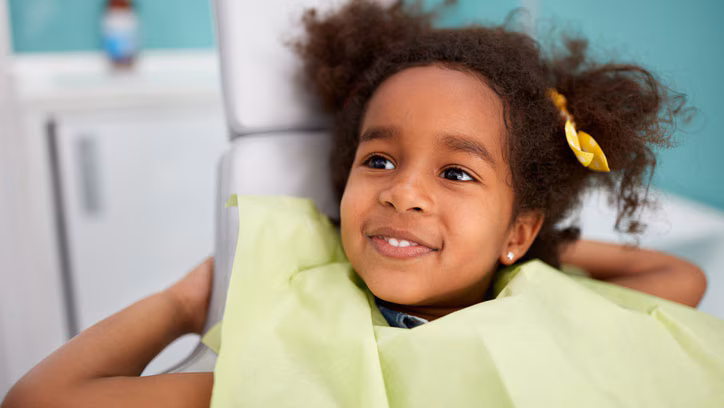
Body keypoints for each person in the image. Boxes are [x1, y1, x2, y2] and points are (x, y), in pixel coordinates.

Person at [2, 0, 708, 407]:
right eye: (379, 160)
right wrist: (188, 304)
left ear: (518, 228)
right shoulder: (296, 348)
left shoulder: (544, 298)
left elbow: (682, 281)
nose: (403, 191)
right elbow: (43, 400)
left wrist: (536, 249)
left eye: (457, 174)